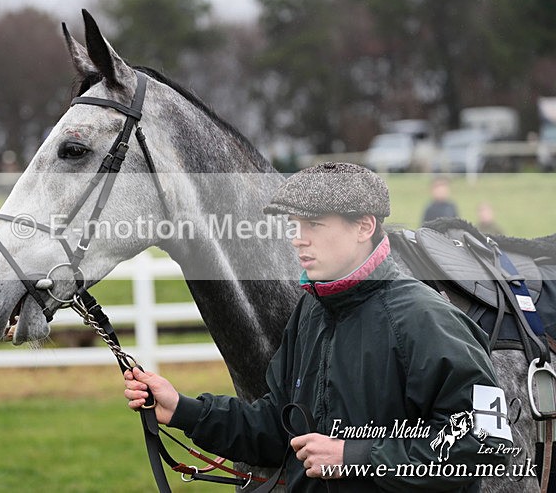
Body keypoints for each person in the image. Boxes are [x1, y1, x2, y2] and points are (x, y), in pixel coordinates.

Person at [125, 162, 508, 492]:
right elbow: (278, 427)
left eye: (313, 224)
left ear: (364, 227)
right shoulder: (310, 311)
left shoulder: (426, 319)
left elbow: (485, 445)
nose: (297, 239)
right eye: (294, 225)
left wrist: (354, 456)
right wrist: (184, 411)